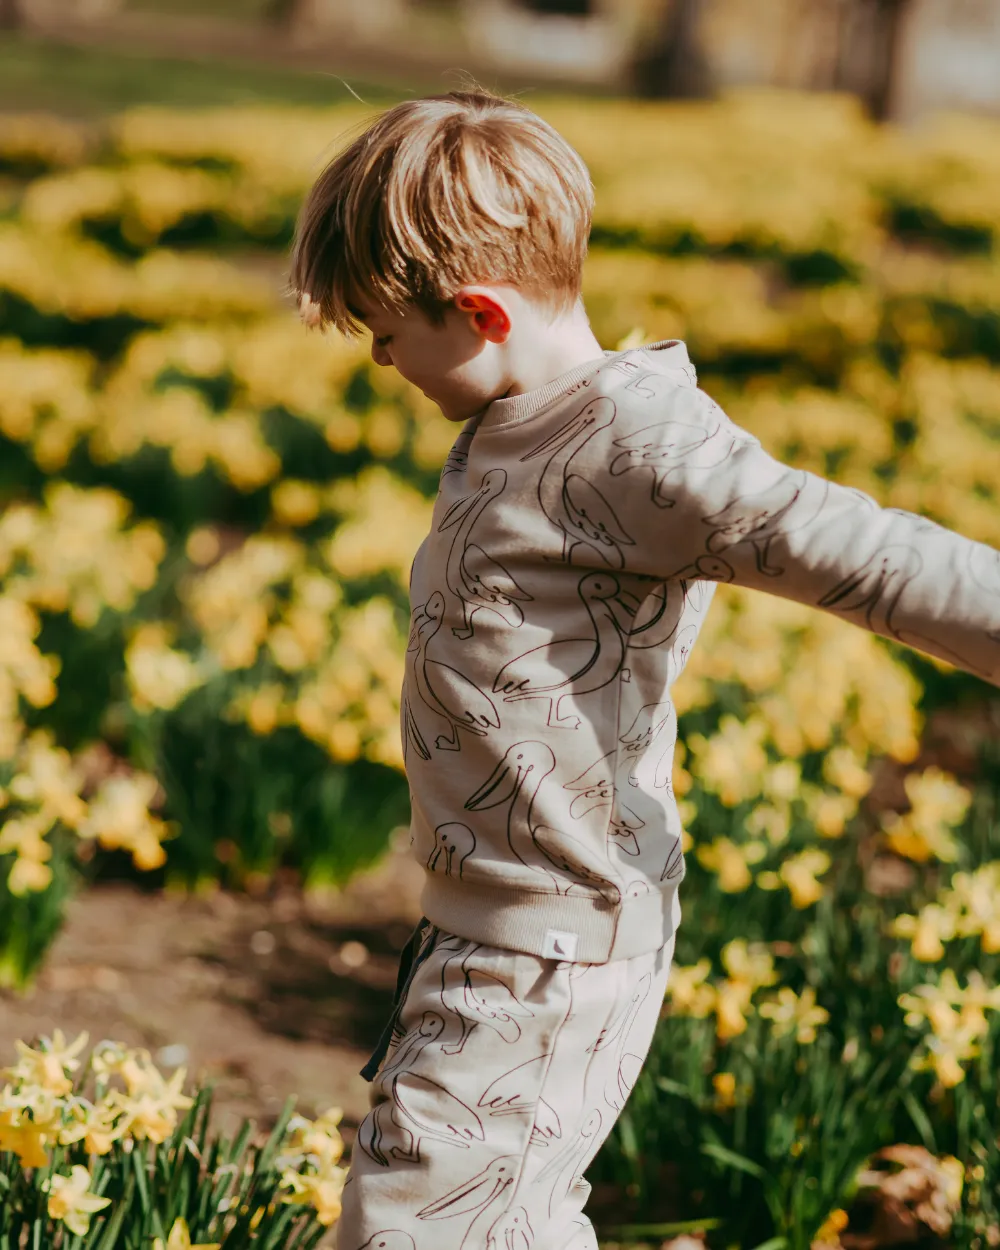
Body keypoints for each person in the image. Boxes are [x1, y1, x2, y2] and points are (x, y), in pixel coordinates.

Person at [290, 87, 1000, 1250]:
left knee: (414, 1219)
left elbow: (864, 549)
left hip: (551, 940)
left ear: (474, 311)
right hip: (495, 919)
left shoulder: (643, 446)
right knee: (495, 1213)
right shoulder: (518, 414)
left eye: (384, 333)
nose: (379, 360)